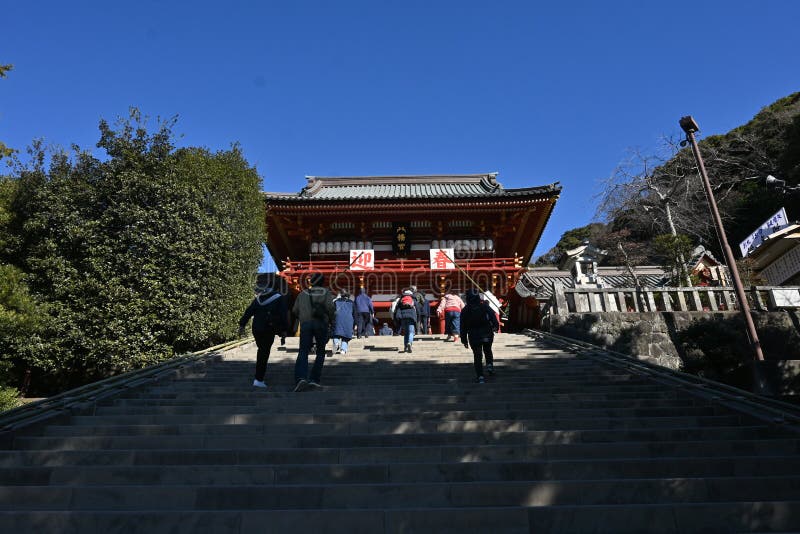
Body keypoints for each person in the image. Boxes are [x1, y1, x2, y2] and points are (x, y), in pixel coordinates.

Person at [238, 283, 289, 389]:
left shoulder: (259, 298)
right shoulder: (279, 298)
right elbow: (283, 314)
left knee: (261, 350)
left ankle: (259, 377)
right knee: (263, 352)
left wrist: (242, 325)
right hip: (268, 328)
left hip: (256, 329)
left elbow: (249, 311)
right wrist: (284, 330)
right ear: (277, 289)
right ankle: (258, 379)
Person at [291, 273, 335, 391]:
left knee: (303, 351)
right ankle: (314, 379)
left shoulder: (302, 293)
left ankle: (301, 378)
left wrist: (304, 314)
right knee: (320, 352)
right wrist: (331, 320)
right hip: (321, 324)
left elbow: (295, 310)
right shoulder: (326, 292)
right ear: (322, 282)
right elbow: (331, 309)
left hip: (305, 324)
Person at [460, 288, 500, 384]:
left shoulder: (465, 310)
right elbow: (493, 316)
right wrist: (496, 326)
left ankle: (480, 376)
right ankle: (490, 366)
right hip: (486, 333)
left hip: (474, 335)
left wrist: (464, 339)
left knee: (477, 355)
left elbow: (463, 326)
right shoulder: (484, 306)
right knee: (487, 350)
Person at [332, 289, 356, 355]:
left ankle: (336, 343)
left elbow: (332, 312)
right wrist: (355, 324)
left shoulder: (335, 302)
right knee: (345, 336)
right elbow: (355, 314)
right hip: (348, 320)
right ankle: (343, 349)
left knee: (336, 333)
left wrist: (331, 321)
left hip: (338, 319)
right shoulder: (352, 303)